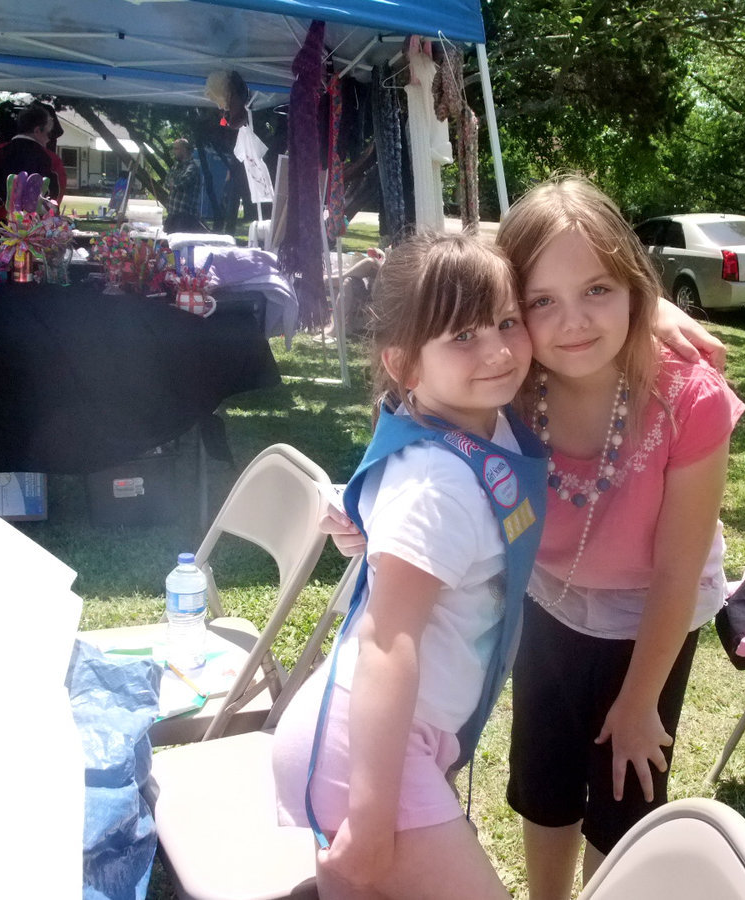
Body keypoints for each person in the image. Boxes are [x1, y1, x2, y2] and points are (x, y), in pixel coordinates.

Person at [272, 232, 547, 900]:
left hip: (379, 739)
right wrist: (371, 821)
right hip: (365, 755)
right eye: (463, 336)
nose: (497, 350)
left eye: (507, 322)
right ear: (405, 365)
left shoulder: (480, 422)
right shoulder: (435, 484)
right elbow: (386, 643)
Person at [497, 175, 745, 898]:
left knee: (622, 791)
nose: (573, 321)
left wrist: (638, 704)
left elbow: (676, 573)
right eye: (542, 301)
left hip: (652, 616)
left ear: (635, 286)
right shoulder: (508, 384)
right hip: (549, 601)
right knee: (544, 779)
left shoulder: (688, 399)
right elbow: (456, 273)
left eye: (598, 290)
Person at [0, 103, 66, 227]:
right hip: (37, 227)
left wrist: (4, 212)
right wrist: (38, 214)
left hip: (2, 225)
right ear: (37, 130)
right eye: (48, 133)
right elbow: (56, 193)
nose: (49, 139)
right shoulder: (50, 158)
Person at [163, 138, 204, 233]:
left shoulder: (192, 168)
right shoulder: (175, 166)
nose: (174, 151)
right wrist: (172, 184)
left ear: (184, 150)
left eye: (176, 149)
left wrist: (173, 184)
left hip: (185, 216)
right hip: (172, 214)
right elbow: (166, 182)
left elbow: (181, 184)